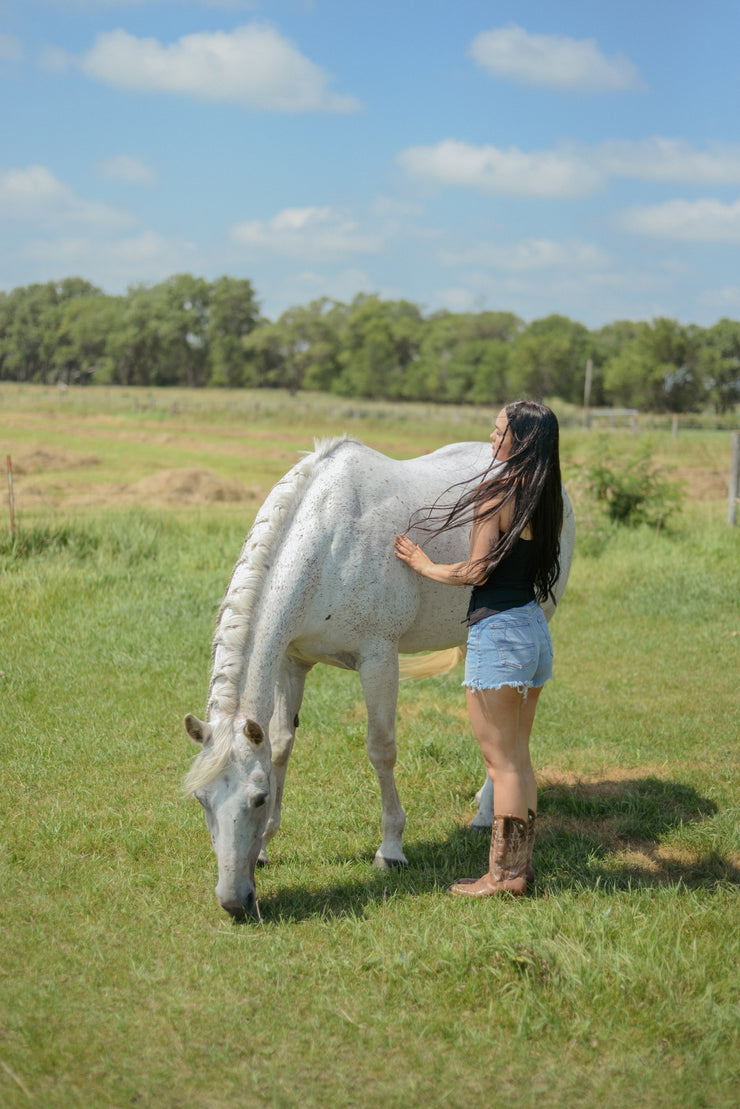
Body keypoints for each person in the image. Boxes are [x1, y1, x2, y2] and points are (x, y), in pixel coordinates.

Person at [394, 399, 563, 897]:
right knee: (519, 758)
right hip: (532, 629)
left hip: (500, 634)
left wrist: (424, 565)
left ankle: (503, 876)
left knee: (501, 764)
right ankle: (519, 867)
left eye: (499, 431)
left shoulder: (496, 492)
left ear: (522, 440)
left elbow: (476, 571)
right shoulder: (544, 492)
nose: (491, 438)